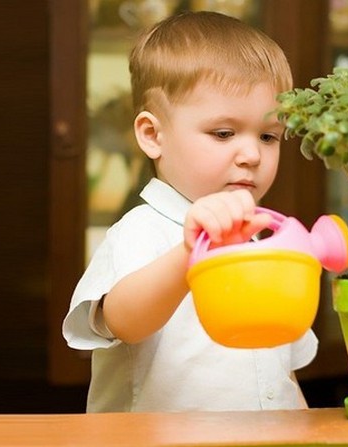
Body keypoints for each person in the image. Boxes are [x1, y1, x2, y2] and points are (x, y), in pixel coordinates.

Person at [62, 11, 318, 413]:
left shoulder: (263, 243)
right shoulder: (141, 231)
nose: (252, 154)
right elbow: (123, 321)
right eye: (223, 133)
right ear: (152, 135)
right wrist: (191, 252)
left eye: (269, 136)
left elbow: (279, 371)